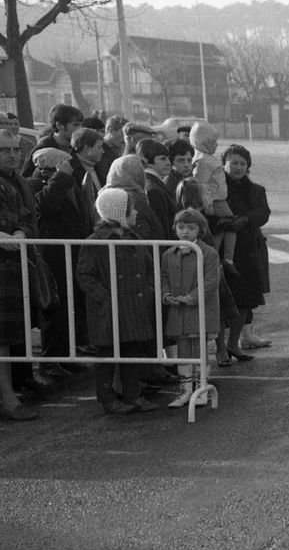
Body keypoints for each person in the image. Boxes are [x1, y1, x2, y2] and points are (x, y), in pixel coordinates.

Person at [76, 188, 159, 415]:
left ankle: (133, 395)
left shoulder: (133, 237)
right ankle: (108, 399)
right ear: (120, 212)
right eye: (131, 210)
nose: (136, 215)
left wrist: (149, 289)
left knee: (132, 352)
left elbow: (149, 266)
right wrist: (103, 297)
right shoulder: (95, 242)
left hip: (133, 306)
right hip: (109, 309)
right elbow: (85, 274)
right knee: (106, 356)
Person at [29, 147, 93, 379]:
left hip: (71, 254)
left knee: (69, 308)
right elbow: (44, 205)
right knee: (53, 311)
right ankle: (50, 360)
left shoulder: (67, 183)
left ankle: (66, 355)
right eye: (65, 165)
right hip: (51, 256)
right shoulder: (35, 184)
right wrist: (61, 177)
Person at [160, 208, 220, 409]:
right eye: (181, 227)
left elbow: (211, 282)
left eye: (191, 227)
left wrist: (191, 297)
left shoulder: (209, 253)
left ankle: (201, 388)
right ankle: (185, 391)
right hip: (178, 311)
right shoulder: (169, 254)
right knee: (183, 350)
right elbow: (163, 278)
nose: (185, 231)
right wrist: (166, 295)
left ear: (200, 230)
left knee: (200, 350)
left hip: (199, 310)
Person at [0, 129, 40, 420]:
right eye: (5, 150)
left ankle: (9, 395)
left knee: (8, 334)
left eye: (16, 149)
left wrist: (19, 232)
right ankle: (8, 400)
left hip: (13, 266)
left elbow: (29, 217)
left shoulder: (19, 182)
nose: (13, 154)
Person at [222, 144, 271, 363]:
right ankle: (222, 348)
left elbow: (263, 212)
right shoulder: (218, 188)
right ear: (224, 164)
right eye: (234, 163)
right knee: (224, 300)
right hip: (225, 250)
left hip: (248, 250)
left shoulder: (256, 190)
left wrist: (246, 220)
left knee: (244, 300)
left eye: (242, 163)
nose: (238, 167)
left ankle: (233, 343)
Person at [190, 122, 237, 270]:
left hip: (218, 200)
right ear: (205, 142)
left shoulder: (205, 158)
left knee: (220, 229)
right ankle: (227, 258)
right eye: (214, 141)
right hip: (217, 201)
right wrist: (208, 203)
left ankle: (214, 257)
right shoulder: (203, 161)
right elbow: (202, 184)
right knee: (230, 226)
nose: (216, 145)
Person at [20, 103, 82, 178]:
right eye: (75, 125)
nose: (80, 129)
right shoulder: (42, 150)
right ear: (59, 125)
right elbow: (25, 179)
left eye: (81, 125)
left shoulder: (78, 147)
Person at [138, 139, 178, 241]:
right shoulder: (153, 189)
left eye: (168, 158)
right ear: (149, 161)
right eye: (163, 159)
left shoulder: (155, 184)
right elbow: (161, 226)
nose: (168, 163)